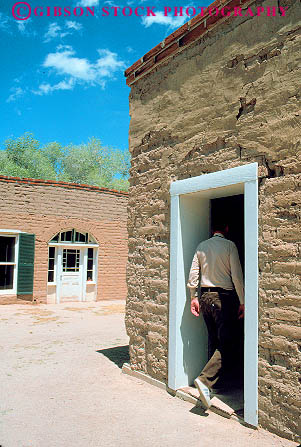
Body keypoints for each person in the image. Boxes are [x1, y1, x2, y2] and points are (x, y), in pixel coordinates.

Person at [187, 220, 245, 409]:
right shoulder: (230, 246)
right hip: (224, 298)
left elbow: (193, 274)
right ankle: (205, 381)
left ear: (212, 229)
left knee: (214, 339)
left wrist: (193, 297)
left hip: (205, 297)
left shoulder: (202, 246)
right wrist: (243, 300)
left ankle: (214, 385)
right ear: (227, 228)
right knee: (228, 341)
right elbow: (236, 275)